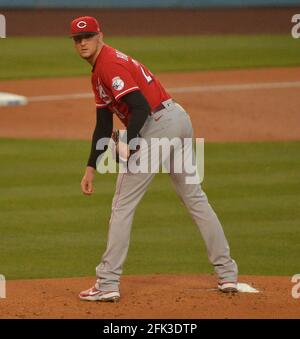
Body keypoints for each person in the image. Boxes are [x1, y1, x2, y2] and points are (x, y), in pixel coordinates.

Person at [70, 16, 238, 302]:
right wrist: (90, 167)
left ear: (101, 36)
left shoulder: (109, 65)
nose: (83, 42)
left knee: (123, 204)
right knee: (195, 198)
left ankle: (108, 282)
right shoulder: (100, 70)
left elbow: (139, 106)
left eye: (88, 36)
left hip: (158, 125)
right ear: (74, 43)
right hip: (178, 120)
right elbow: (102, 125)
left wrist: (132, 145)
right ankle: (227, 274)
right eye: (77, 38)